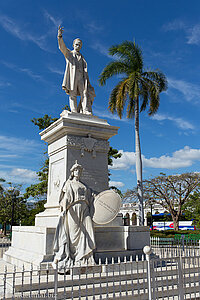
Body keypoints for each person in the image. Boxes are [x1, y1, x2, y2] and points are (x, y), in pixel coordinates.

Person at [52, 161, 96, 272]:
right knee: (73, 234)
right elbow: (65, 198)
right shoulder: (69, 184)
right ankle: (75, 256)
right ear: (72, 172)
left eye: (79, 170)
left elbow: (91, 197)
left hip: (85, 209)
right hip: (73, 209)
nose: (78, 172)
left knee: (88, 230)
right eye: (76, 170)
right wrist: (63, 209)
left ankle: (85, 257)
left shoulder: (84, 185)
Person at [57, 26, 95, 115]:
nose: (78, 46)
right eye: (76, 44)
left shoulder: (82, 58)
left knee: (84, 93)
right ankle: (73, 110)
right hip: (72, 76)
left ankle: (86, 110)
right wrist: (59, 37)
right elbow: (62, 47)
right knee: (72, 93)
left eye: (80, 45)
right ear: (73, 45)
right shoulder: (69, 54)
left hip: (81, 77)